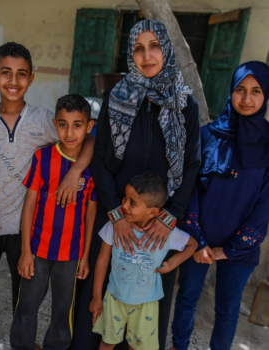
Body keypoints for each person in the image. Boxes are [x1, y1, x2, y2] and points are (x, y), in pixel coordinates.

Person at [0, 42, 94, 350]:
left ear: (31, 78)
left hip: (24, 224)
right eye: (6, 73)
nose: (13, 81)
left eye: (21, 74)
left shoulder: (44, 120)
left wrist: (75, 171)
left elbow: (87, 140)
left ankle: (20, 340)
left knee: (23, 286)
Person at [71, 19, 200, 350]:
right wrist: (116, 211)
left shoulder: (185, 104)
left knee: (148, 302)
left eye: (154, 46)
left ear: (166, 51)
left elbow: (191, 164)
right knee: (100, 298)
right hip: (119, 212)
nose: (147, 56)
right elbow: (100, 158)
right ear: (130, 55)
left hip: (159, 220)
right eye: (138, 48)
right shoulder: (116, 97)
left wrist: (170, 213)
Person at [170, 61, 269, 350]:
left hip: (241, 247)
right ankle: (179, 345)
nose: (247, 99)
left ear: (265, 96)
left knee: (227, 308)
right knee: (187, 297)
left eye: (256, 91)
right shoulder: (207, 135)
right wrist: (197, 240)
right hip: (197, 240)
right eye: (240, 90)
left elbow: (265, 203)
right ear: (231, 92)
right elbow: (191, 189)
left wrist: (229, 250)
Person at [10, 94, 97, 350]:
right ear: (54, 123)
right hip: (37, 250)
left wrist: (86, 255)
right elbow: (29, 205)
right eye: (63, 124)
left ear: (88, 127)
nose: (69, 132)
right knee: (26, 307)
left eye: (77, 125)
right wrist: (25, 251)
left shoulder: (91, 167)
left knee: (63, 312)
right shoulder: (43, 158)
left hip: (71, 254)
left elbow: (91, 214)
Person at [90, 172, 197, 350]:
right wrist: (96, 297)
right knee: (108, 341)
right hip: (114, 298)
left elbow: (192, 245)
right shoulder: (115, 226)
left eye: (132, 203)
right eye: (125, 198)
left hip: (146, 304)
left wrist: (172, 264)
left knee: (138, 346)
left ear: (153, 212)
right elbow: (102, 261)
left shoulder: (166, 234)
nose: (123, 205)